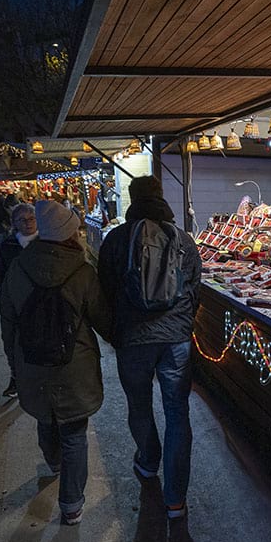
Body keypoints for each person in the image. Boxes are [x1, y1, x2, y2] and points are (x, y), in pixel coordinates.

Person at [0, 201, 112, 525]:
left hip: (31, 362)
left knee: (45, 417)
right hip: (73, 364)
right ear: (68, 233)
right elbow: (102, 318)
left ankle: (53, 462)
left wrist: (14, 360)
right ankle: (72, 504)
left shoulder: (18, 268)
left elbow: (9, 321)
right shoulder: (82, 270)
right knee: (74, 430)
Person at [98, 176, 201, 519]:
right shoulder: (184, 239)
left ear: (132, 199)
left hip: (133, 339)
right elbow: (193, 290)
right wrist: (182, 326)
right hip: (175, 340)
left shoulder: (116, 238)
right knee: (177, 413)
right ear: (161, 197)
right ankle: (175, 500)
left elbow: (105, 292)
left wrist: (116, 332)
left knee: (139, 404)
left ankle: (147, 460)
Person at [0, 202, 38, 397]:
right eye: (22, 220)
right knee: (11, 341)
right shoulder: (9, 245)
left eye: (31, 219)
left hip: (39, 303)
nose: (27, 223)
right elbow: (0, 273)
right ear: (14, 223)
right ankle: (16, 377)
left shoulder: (45, 242)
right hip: (13, 304)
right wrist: (4, 297)